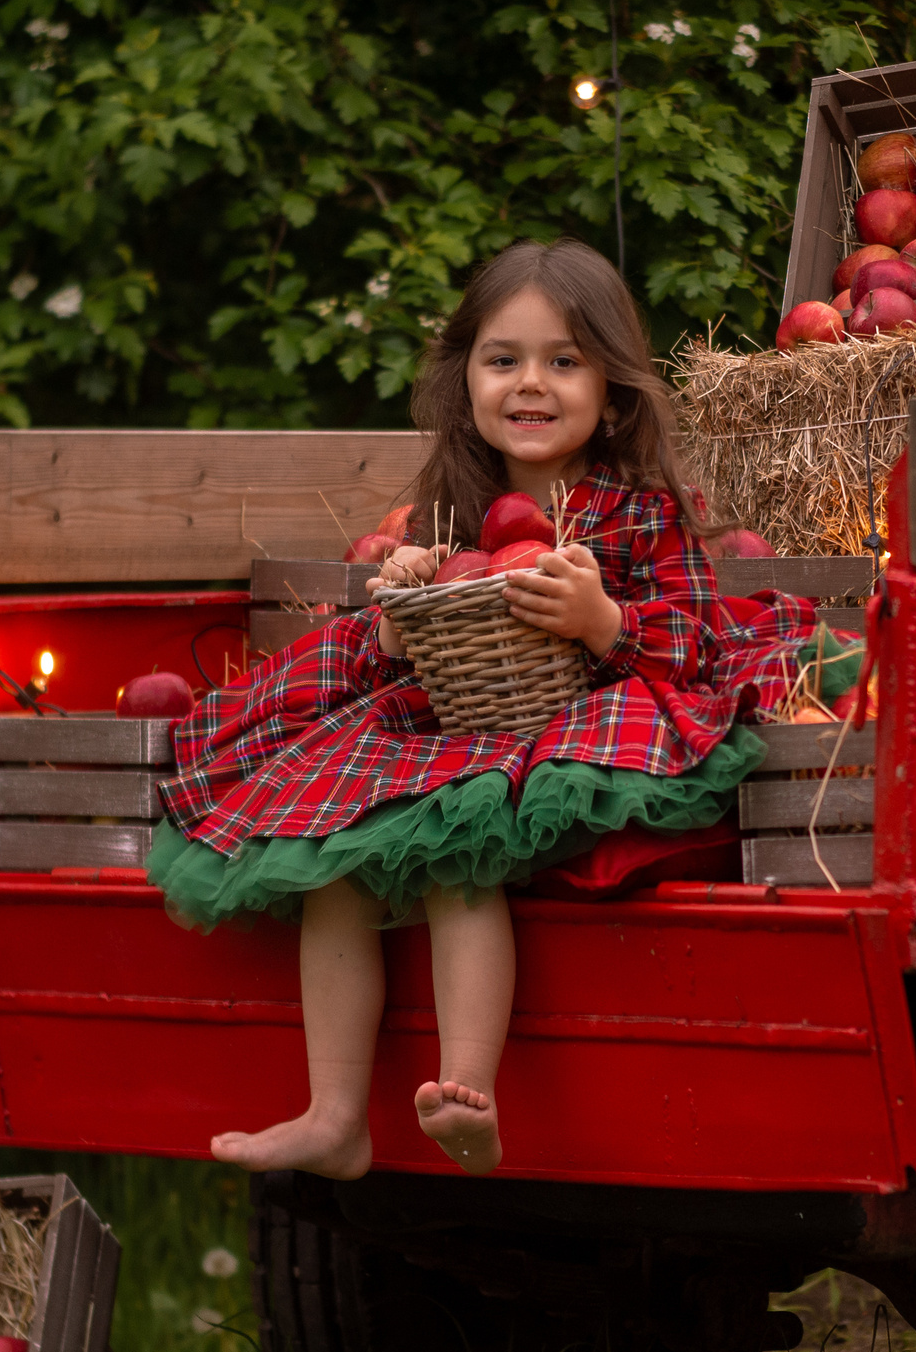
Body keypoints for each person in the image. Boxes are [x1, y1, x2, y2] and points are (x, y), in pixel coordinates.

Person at [146, 239, 851, 1181]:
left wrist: (604, 620)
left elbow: (695, 640)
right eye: (503, 359)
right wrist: (401, 609)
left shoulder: (639, 509)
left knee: (455, 853)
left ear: (613, 386)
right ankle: (334, 1115)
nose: (532, 384)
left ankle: (466, 1091)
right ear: (464, 376)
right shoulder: (450, 508)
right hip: (456, 726)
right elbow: (388, 656)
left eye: (565, 361)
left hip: (581, 725)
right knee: (335, 867)